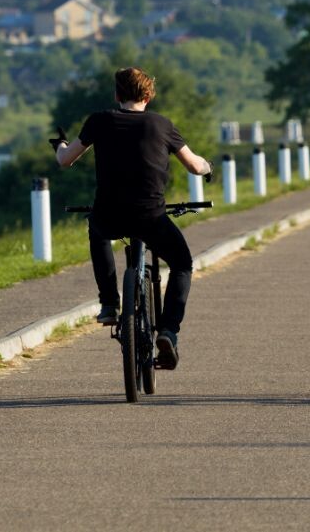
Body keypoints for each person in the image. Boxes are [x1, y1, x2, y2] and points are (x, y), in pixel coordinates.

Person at [50, 67, 211, 370]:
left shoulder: (99, 121)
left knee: (97, 230)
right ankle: (168, 331)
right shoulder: (162, 124)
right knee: (182, 264)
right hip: (151, 217)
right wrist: (209, 166)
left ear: (117, 95)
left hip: (110, 214)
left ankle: (109, 302)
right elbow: (194, 165)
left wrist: (59, 144)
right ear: (148, 95)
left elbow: (65, 160)